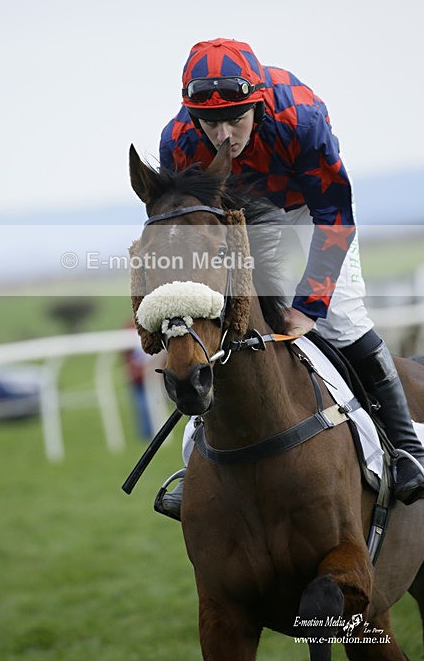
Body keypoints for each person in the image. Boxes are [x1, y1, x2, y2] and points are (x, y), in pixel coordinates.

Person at [156, 37, 424, 517]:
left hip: (307, 209)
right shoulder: (177, 141)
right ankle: (195, 469)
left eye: (235, 119)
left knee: (342, 318)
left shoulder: (301, 118)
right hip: (242, 220)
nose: (223, 136)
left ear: (257, 104)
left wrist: (311, 303)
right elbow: (194, 227)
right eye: (210, 123)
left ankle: (408, 449)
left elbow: (333, 214)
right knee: (219, 330)